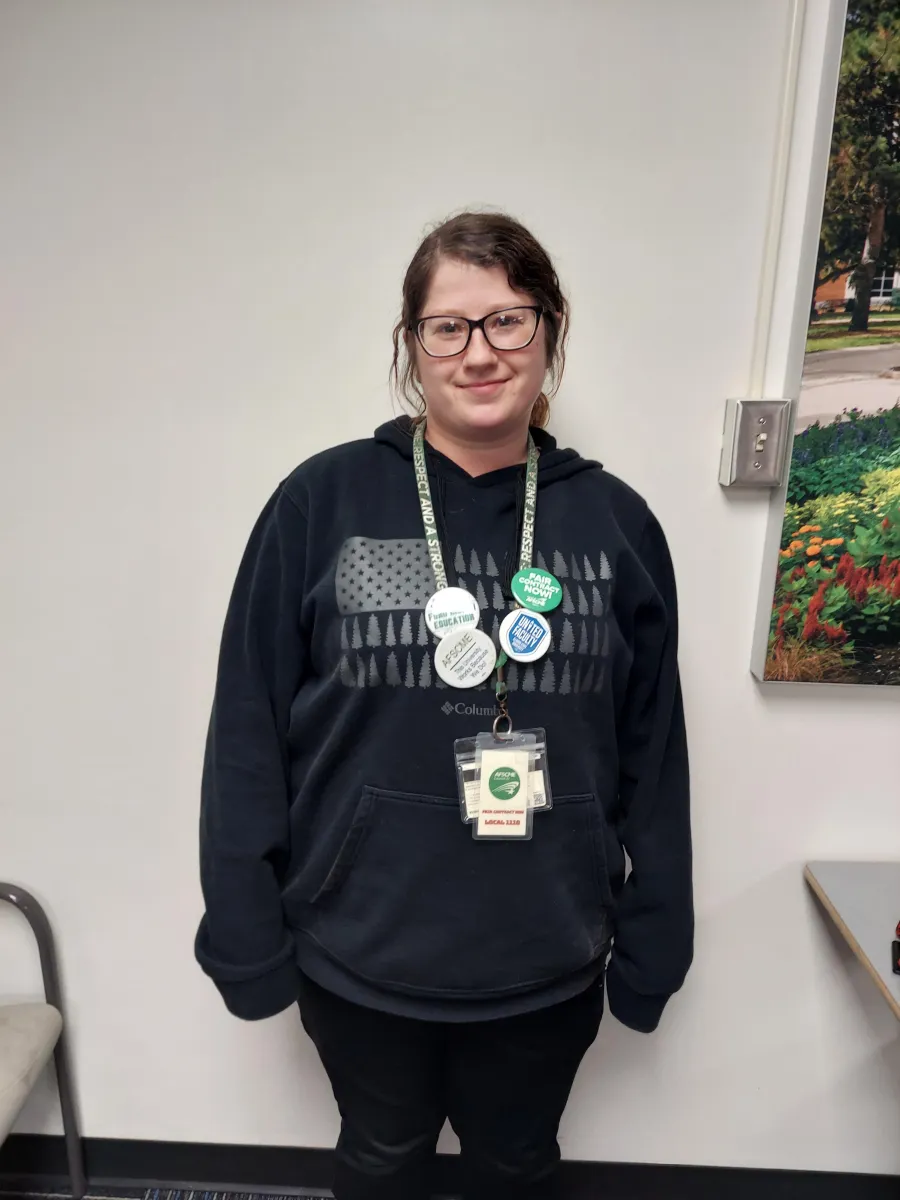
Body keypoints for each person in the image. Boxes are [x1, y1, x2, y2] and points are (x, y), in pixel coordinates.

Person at [195, 211, 693, 1200]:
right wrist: (246, 935)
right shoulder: (320, 502)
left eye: (508, 321)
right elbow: (247, 725)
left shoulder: (617, 521)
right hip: (361, 946)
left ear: (550, 333)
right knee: (380, 1165)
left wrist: (656, 941)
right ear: (411, 347)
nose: (479, 352)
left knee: (517, 1170)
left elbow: (655, 750)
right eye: (448, 327)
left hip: (547, 951)